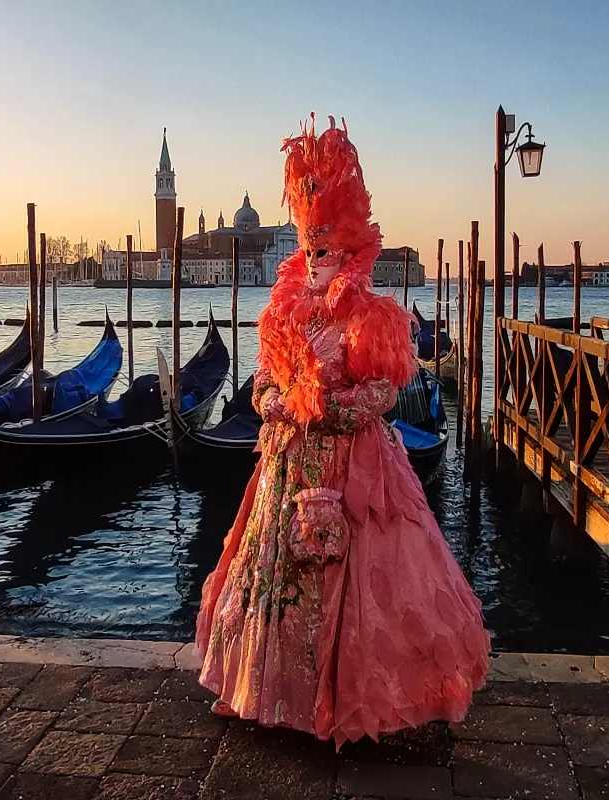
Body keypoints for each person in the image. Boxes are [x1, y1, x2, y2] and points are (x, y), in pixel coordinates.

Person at [196, 114, 490, 748]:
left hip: (352, 471)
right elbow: (264, 384)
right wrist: (277, 400)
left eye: (327, 250)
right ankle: (276, 694)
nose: (317, 260)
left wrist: (323, 409)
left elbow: (383, 394)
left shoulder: (371, 317)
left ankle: (352, 695)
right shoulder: (286, 315)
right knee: (277, 578)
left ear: (353, 251)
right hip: (286, 467)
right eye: (310, 249)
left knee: (358, 581)